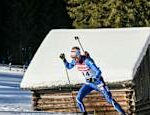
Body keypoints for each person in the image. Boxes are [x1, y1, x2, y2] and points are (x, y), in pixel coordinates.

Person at [59, 46, 126, 115]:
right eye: (73, 58)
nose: (74, 60)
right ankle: (84, 113)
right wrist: (64, 60)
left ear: (79, 55)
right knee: (78, 98)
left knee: (109, 100)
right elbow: (69, 67)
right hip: (89, 84)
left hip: (98, 83)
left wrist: (94, 78)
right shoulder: (75, 61)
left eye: (75, 57)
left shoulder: (87, 61)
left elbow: (98, 72)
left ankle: (123, 113)